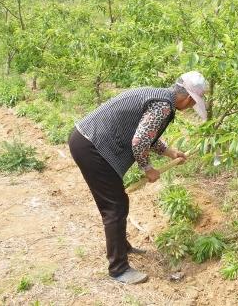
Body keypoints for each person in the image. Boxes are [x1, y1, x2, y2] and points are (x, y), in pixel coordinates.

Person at [68, 71, 208, 284]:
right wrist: (148, 168)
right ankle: (118, 269)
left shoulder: (160, 97)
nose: (190, 107)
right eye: (193, 103)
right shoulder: (163, 106)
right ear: (188, 98)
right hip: (92, 146)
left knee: (117, 202)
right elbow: (140, 141)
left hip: (87, 140)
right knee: (114, 206)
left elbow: (145, 134)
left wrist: (169, 152)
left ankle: (122, 247)